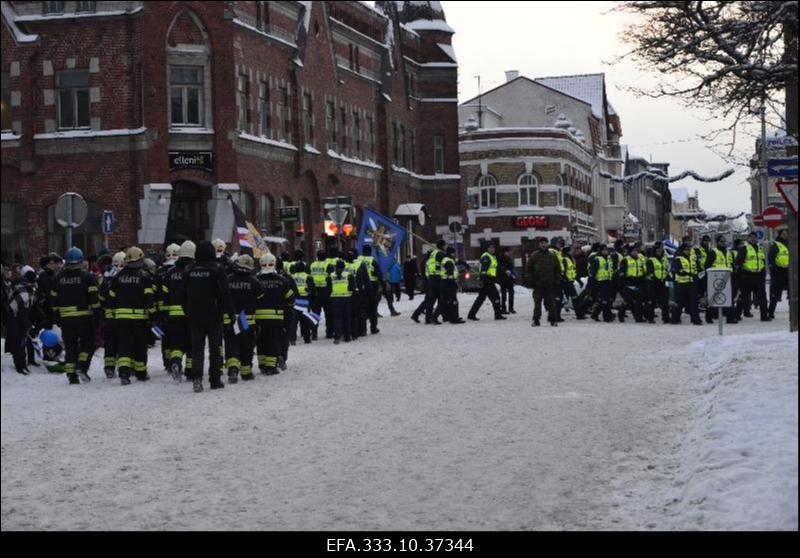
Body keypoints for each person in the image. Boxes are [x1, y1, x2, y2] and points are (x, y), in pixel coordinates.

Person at [183, 241, 234, 392]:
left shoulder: (189, 270)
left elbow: (182, 294)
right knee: (215, 348)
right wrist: (230, 313)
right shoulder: (217, 269)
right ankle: (215, 380)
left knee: (197, 349)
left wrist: (187, 311)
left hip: (194, 315)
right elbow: (225, 293)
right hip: (214, 314)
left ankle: (197, 379)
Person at [47, 247, 101, 384]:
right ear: (80, 261)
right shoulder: (88, 277)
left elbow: (53, 301)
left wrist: (57, 316)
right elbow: (94, 299)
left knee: (70, 347)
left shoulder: (58, 278)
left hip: (66, 319)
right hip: (84, 318)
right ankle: (82, 367)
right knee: (88, 344)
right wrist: (98, 314)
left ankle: (71, 375)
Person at [105, 246, 155, 384]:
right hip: (139, 319)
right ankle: (140, 372)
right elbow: (149, 299)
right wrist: (153, 317)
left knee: (124, 346)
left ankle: (124, 373)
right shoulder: (144, 276)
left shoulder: (118, 277)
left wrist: (113, 316)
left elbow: (111, 299)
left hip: (121, 318)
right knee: (140, 346)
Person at [159, 241, 195, 382]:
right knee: (191, 344)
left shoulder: (169, 273)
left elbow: (164, 296)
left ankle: (175, 361)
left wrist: (163, 314)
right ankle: (190, 372)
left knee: (177, 343)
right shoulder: (194, 272)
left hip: (173, 316)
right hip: (191, 314)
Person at [224, 254, 263, 382]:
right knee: (247, 345)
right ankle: (246, 372)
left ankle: (233, 369)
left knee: (232, 344)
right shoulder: (254, 281)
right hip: (246, 319)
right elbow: (260, 299)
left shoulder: (228, 280)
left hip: (231, 319)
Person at [255, 253, 294, 375]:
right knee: (273, 341)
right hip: (276, 317)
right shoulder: (282, 280)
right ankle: (271, 367)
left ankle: (262, 364)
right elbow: (291, 299)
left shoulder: (256, 280)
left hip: (258, 318)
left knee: (261, 341)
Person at [98, 251, 126, 378]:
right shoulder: (126, 278)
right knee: (124, 342)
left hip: (109, 317)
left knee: (110, 343)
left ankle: (109, 367)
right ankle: (125, 367)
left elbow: (101, 298)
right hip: (124, 316)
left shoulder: (106, 279)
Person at [6, 265, 37, 374]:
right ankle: (20, 366)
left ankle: (22, 364)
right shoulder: (24, 293)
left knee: (20, 342)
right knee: (20, 343)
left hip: (12, 317)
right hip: (15, 319)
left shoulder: (19, 285)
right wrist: (29, 327)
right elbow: (22, 314)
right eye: (34, 283)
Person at [525, 237, 561, 326]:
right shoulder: (534, 256)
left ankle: (553, 320)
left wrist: (557, 280)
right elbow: (529, 270)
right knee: (537, 304)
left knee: (551, 303)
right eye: (542, 243)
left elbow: (557, 269)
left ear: (547, 244)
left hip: (550, 284)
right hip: (538, 284)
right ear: (539, 244)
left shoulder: (552, 255)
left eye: (545, 243)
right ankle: (536, 320)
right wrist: (531, 281)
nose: (543, 244)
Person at [467, 243, 506, 321]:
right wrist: (484, 280)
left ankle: (471, 314)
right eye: (490, 248)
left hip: (488, 279)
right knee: (496, 297)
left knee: (481, 298)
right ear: (487, 249)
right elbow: (484, 270)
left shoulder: (491, 257)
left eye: (493, 248)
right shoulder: (486, 257)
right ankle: (498, 315)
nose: (492, 249)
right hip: (487, 280)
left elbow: (494, 268)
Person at [736, 232, 769, 321]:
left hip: (758, 276)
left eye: (755, 237)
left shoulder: (760, 248)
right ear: (748, 239)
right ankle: (737, 315)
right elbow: (738, 263)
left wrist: (763, 274)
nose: (753, 239)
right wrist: (742, 275)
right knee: (744, 298)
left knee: (762, 298)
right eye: (751, 237)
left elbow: (762, 262)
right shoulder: (744, 249)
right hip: (747, 276)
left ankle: (764, 316)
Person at [671, 239, 702, 325]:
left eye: (689, 250)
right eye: (686, 250)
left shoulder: (692, 258)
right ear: (682, 250)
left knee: (694, 302)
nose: (688, 251)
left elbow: (697, 268)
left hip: (691, 283)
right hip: (680, 283)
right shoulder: (678, 259)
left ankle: (696, 320)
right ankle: (675, 319)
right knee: (679, 303)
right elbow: (678, 271)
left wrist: (698, 274)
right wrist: (689, 274)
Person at [330, 258, 356, 344]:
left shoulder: (331, 275)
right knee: (346, 318)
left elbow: (328, 288)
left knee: (337, 318)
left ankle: (337, 337)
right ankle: (347, 336)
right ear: (344, 267)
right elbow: (353, 287)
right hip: (346, 299)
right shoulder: (348, 275)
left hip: (335, 299)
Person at [289, 260, 315, 344]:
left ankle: (292, 339)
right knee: (305, 320)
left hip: (294, 299)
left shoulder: (291, 277)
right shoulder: (308, 277)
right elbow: (312, 289)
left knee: (294, 321)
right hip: (304, 299)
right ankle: (307, 338)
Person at [357, 245, 382, 334]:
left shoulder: (358, 260)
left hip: (361, 286)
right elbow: (379, 274)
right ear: (370, 252)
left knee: (362, 308)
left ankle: (363, 329)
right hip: (372, 286)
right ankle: (373, 328)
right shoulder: (373, 261)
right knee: (373, 308)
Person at [617, 244, 645, 323]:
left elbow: (642, 270)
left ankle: (638, 318)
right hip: (628, 283)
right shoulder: (625, 260)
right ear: (630, 252)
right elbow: (621, 272)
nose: (635, 252)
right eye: (633, 251)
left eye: (636, 251)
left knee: (639, 303)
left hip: (638, 282)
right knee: (627, 302)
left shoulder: (640, 260)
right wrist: (623, 283)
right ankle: (621, 315)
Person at [437, 246, 464, 324]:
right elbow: (450, 274)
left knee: (445, 302)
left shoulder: (446, 259)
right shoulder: (448, 261)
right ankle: (454, 318)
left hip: (445, 282)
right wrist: (453, 284)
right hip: (448, 283)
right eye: (453, 253)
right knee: (453, 301)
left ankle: (438, 317)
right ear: (450, 253)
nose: (454, 254)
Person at [644, 244, 670, 324]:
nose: (659, 252)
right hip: (653, 283)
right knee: (651, 301)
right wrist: (655, 279)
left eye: (660, 250)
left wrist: (667, 278)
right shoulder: (651, 260)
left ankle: (666, 318)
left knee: (665, 301)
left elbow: (667, 270)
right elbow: (649, 272)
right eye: (657, 250)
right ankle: (650, 318)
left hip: (663, 283)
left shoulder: (664, 259)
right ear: (654, 251)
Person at [589, 244, 614, 322]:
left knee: (607, 299)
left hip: (608, 281)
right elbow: (592, 272)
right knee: (605, 300)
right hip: (600, 282)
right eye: (604, 250)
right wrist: (592, 283)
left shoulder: (609, 259)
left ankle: (595, 314)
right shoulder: (597, 259)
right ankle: (607, 317)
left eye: (606, 250)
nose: (606, 251)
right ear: (600, 250)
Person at [767, 229, 789, 319]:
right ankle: (771, 312)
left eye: (786, 234)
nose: (785, 235)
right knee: (775, 294)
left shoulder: (789, 244)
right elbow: (771, 258)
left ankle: (794, 312)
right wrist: (774, 269)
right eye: (783, 234)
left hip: (788, 272)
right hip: (778, 273)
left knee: (792, 294)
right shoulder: (775, 245)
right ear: (780, 235)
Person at [309, 250, 330, 340]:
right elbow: (331, 278)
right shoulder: (328, 265)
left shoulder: (312, 265)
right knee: (328, 313)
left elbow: (309, 277)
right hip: (325, 291)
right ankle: (329, 333)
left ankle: (314, 334)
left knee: (315, 314)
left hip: (315, 292)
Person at [498, 246, 516, 314]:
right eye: (508, 252)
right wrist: (505, 270)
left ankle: (511, 308)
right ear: (505, 252)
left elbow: (512, 268)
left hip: (509, 278)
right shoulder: (501, 258)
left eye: (509, 252)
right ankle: (503, 309)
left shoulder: (509, 258)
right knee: (504, 294)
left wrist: (513, 276)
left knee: (511, 293)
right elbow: (499, 267)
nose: (509, 253)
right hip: (503, 279)